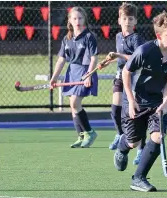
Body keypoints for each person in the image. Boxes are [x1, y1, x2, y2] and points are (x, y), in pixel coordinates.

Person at [113, 11, 167, 192]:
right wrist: (129, 99)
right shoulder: (145, 50)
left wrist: (166, 102)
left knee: (158, 137)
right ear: (159, 36)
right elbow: (126, 73)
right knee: (134, 142)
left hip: (156, 102)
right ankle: (123, 146)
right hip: (135, 100)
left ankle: (138, 178)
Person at [102, 3, 146, 165]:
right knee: (115, 110)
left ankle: (140, 150)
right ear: (119, 20)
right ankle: (120, 134)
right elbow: (118, 58)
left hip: (134, 79)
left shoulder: (136, 39)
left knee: (136, 115)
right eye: (124, 18)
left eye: (131, 18)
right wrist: (106, 61)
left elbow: (137, 59)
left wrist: (118, 55)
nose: (127, 21)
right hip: (120, 76)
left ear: (135, 22)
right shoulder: (118, 36)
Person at [50, 7, 98, 148]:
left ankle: (90, 132)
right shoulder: (67, 38)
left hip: (85, 71)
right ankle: (81, 135)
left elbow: (94, 58)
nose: (77, 21)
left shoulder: (89, 37)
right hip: (72, 72)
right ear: (70, 21)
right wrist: (54, 78)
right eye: (75, 18)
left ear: (84, 20)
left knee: (75, 103)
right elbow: (61, 60)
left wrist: (88, 75)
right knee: (73, 106)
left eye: (80, 18)